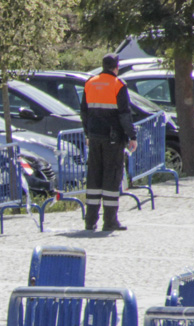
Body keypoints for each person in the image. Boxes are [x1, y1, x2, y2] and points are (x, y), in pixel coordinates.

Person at [80, 53, 137, 232]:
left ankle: (90, 221)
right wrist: (132, 136)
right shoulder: (118, 85)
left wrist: (88, 133)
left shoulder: (90, 83)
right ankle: (110, 221)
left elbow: (84, 112)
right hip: (113, 139)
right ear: (116, 67)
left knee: (94, 177)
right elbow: (124, 115)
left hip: (95, 138)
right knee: (111, 178)